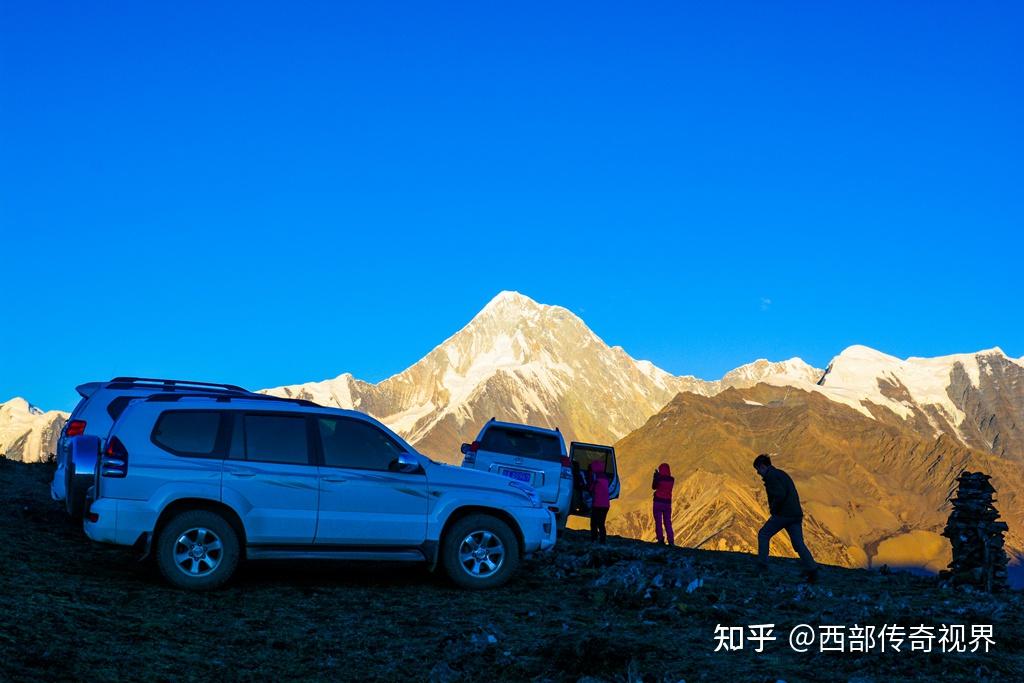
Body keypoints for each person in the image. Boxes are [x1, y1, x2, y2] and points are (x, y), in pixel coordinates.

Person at [753, 454, 818, 582]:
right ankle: (812, 569)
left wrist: (774, 509)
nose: (758, 473)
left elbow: (780, 495)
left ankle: (762, 566)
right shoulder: (780, 474)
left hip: (783, 514)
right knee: (798, 544)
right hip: (795, 514)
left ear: (763, 466)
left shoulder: (771, 477)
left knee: (763, 534)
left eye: (758, 469)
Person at [651, 463, 675, 545]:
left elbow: (654, 487)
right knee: (667, 522)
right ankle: (671, 540)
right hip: (667, 503)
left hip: (658, 502)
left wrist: (655, 477)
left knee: (658, 521)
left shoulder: (659, 478)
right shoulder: (672, 480)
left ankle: (660, 539)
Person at [588, 460, 611, 544]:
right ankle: (603, 541)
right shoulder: (605, 477)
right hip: (606, 505)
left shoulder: (594, 476)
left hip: (597, 504)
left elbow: (591, 488)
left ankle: (594, 539)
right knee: (601, 523)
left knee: (593, 522)